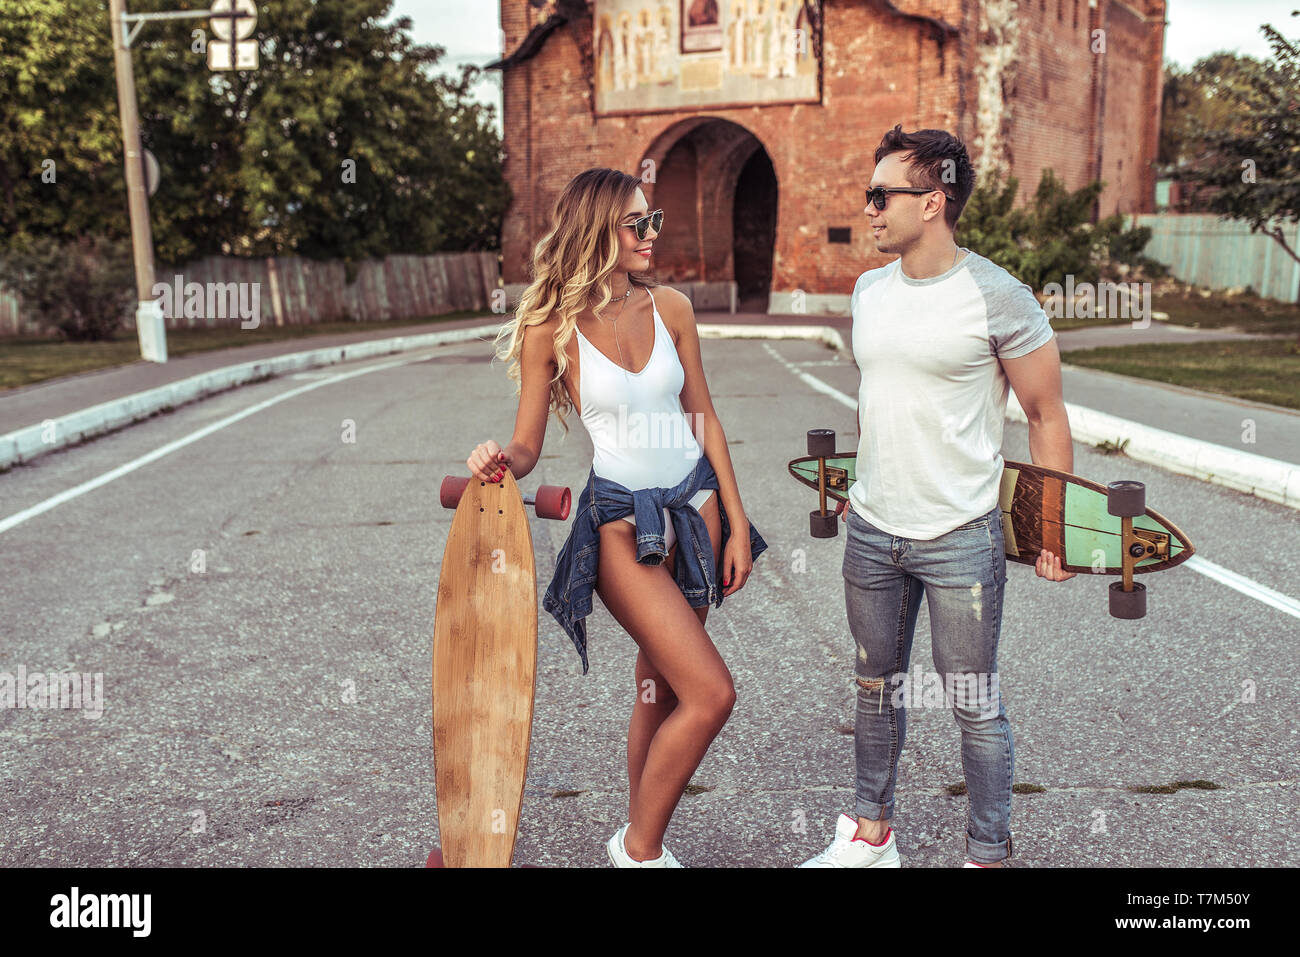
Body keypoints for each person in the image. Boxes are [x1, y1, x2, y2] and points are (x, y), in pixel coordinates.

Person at [468, 168, 767, 868]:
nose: (651, 234)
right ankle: (639, 847)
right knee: (712, 692)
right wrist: (499, 458)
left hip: (698, 515)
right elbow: (528, 444)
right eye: (637, 223)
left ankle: (643, 841)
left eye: (652, 219)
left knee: (659, 686)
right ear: (597, 229)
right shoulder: (552, 327)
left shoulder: (674, 308)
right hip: (621, 526)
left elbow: (706, 418)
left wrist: (738, 521)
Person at [800, 125, 1075, 869]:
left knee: (973, 704)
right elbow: (879, 397)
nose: (869, 209)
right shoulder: (867, 291)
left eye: (882, 194)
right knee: (874, 688)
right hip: (874, 532)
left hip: (961, 535)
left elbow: (1046, 414)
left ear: (933, 202)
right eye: (869, 194)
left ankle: (986, 853)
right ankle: (870, 834)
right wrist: (863, 481)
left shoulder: (997, 296)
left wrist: (1053, 528)